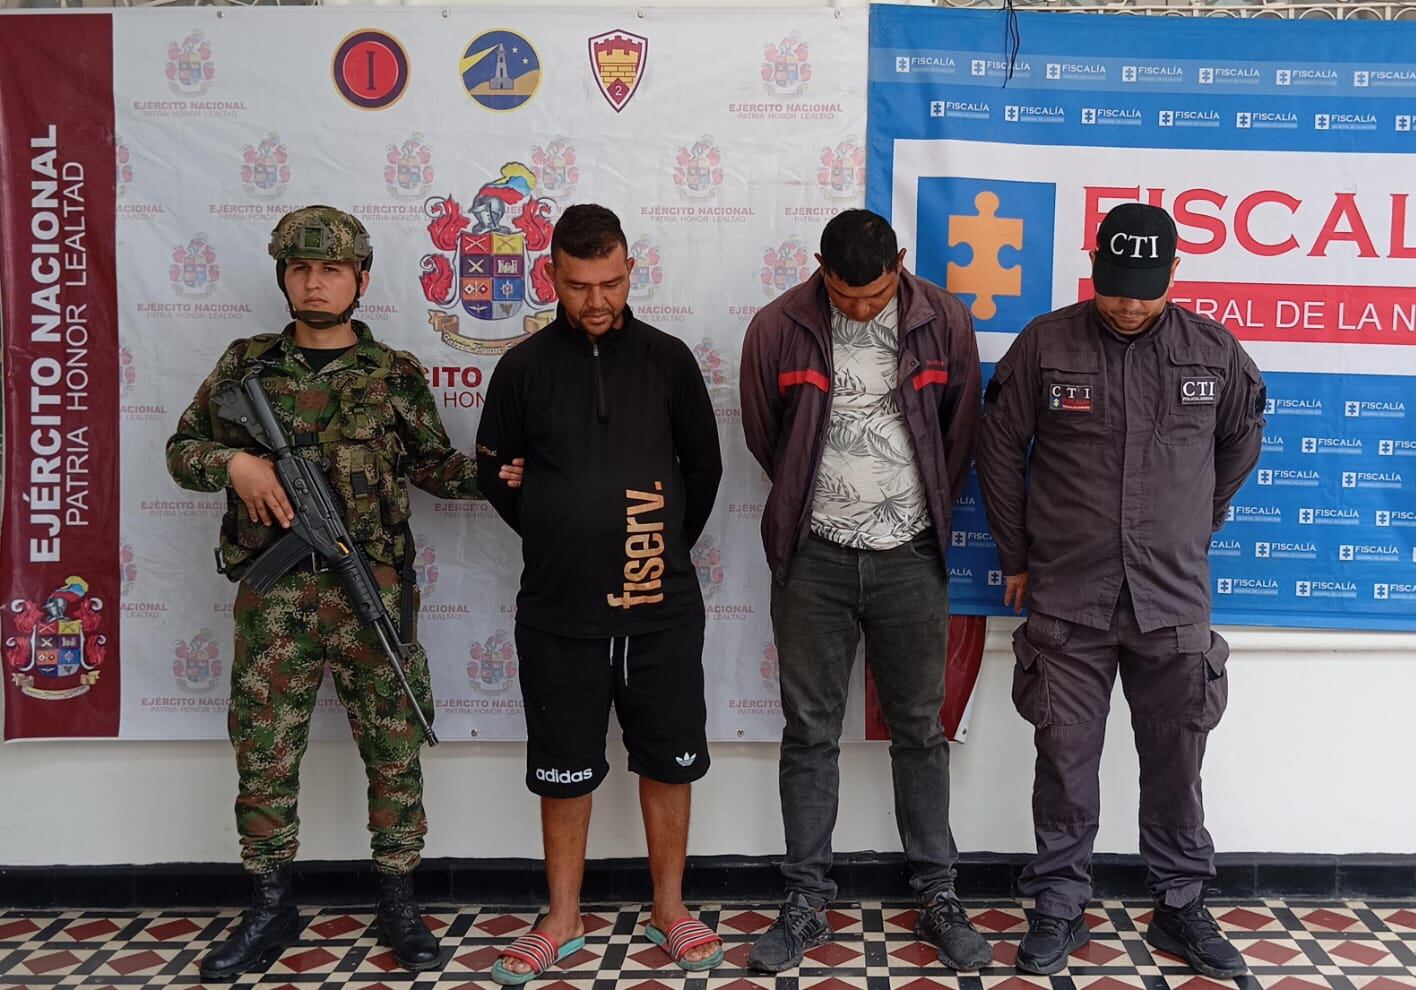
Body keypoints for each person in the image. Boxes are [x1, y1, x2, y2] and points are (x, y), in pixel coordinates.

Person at [166, 206, 523, 978]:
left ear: (360, 279)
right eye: (300, 268)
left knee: (394, 746)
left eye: (331, 269)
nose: (315, 282)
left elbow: (432, 465)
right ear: (283, 277)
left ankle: (398, 900)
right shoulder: (246, 366)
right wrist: (236, 465)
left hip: (373, 594)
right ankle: (270, 904)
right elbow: (182, 449)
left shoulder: (393, 373)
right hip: (276, 600)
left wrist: (503, 476)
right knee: (264, 750)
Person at [976, 202, 1265, 978]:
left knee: (1177, 757)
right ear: (1094, 267)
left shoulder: (1213, 351)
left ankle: (1180, 904)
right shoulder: (1046, 344)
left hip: (1172, 598)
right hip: (1069, 595)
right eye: (1113, 287)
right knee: (1064, 758)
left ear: (1174, 274)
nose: (1128, 304)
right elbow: (998, 449)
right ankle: (1060, 904)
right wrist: (1016, 555)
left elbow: (1240, 440)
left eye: (1144, 290)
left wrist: (1193, 519)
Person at [475, 204, 725, 984]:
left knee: (670, 762)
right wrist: (562, 528)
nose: (596, 300)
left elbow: (704, 470)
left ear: (630, 271)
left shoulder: (668, 360)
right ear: (551, 274)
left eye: (611, 283)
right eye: (580, 284)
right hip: (559, 609)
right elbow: (495, 473)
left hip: (662, 606)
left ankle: (670, 908)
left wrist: (657, 545)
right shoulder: (522, 367)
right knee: (563, 766)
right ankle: (562, 917)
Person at [738, 209, 988, 972]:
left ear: (899, 264)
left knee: (920, 729)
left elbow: (958, 433)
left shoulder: (944, 322)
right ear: (820, 268)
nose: (858, 308)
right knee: (809, 731)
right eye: (844, 295)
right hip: (813, 559)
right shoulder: (778, 327)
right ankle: (805, 901)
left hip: (910, 557)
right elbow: (766, 437)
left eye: (873, 295)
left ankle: (938, 894)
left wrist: (910, 513)